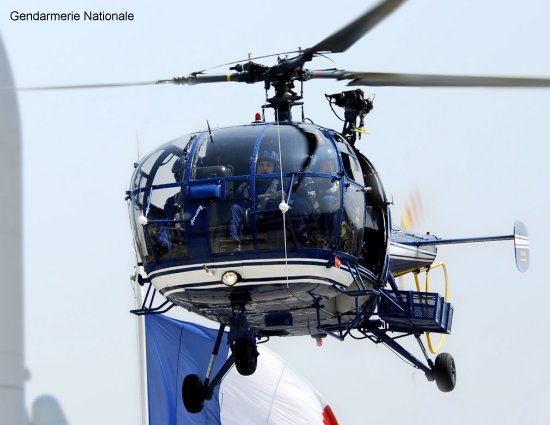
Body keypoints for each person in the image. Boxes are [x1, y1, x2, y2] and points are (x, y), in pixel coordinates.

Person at [229, 150, 282, 248]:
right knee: (235, 207)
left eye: (268, 165)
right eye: (261, 165)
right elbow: (235, 200)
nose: (264, 168)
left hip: (270, 221)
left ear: (275, 168)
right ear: (254, 167)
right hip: (250, 219)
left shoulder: (282, 184)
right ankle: (234, 242)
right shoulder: (245, 185)